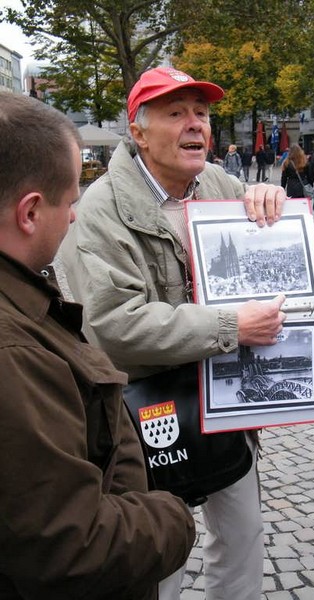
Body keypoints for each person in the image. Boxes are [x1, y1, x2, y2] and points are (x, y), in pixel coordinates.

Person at [60, 66, 287, 600]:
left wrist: (264, 195)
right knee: (158, 550)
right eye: (176, 113)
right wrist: (230, 326)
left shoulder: (217, 183)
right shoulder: (99, 211)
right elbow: (114, 325)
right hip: (145, 410)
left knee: (243, 535)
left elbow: (261, 234)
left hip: (223, 399)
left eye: (201, 113)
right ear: (138, 132)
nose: (195, 124)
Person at [0, 92, 195, 599]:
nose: (73, 217)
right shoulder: (16, 355)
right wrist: (173, 517)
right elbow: (68, 544)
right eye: (69, 201)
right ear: (30, 212)